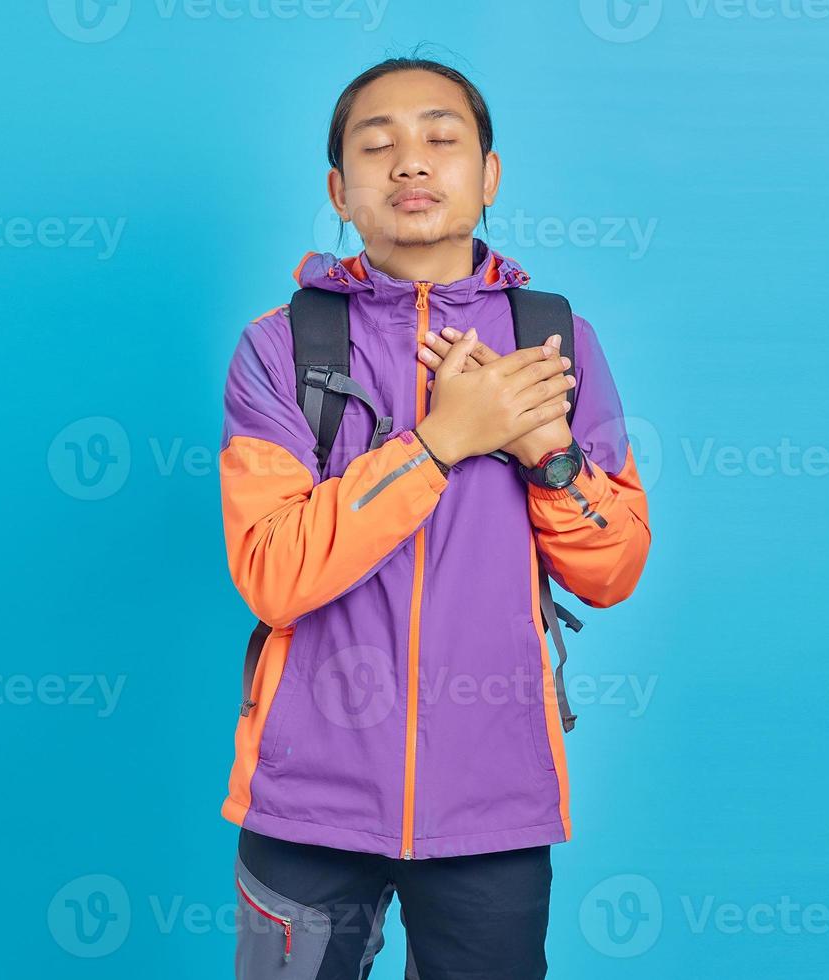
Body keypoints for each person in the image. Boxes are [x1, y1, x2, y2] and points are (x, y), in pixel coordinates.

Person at [218, 55, 652, 979]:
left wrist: (545, 452)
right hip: (307, 799)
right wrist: (441, 441)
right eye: (378, 147)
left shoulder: (556, 341)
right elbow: (273, 572)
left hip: (494, 801)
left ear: (489, 174)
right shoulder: (280, 347)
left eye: (442, 140)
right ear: (340, 190)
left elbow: (612, 570)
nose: (411, 164)